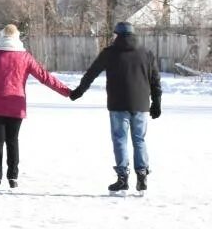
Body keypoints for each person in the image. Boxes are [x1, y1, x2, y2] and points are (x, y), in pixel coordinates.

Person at [0, 23, 72, 191]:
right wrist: (67, 92)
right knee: (12, 141)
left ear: (1, 36)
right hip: (15, 106)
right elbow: (44, 76)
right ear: (17, 37)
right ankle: (13, 177)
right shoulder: (25, 57)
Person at [70, 22, 163, 194]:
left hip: (118, 104)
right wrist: (156, 102)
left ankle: (122, 178)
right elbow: (155, 80)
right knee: (139, 139)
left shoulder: (109, 53)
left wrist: (79, 91)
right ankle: (142, 174)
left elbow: (91, 73)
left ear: (117, 35)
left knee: (120, 139)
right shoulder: (146, 53)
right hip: (141, 104)